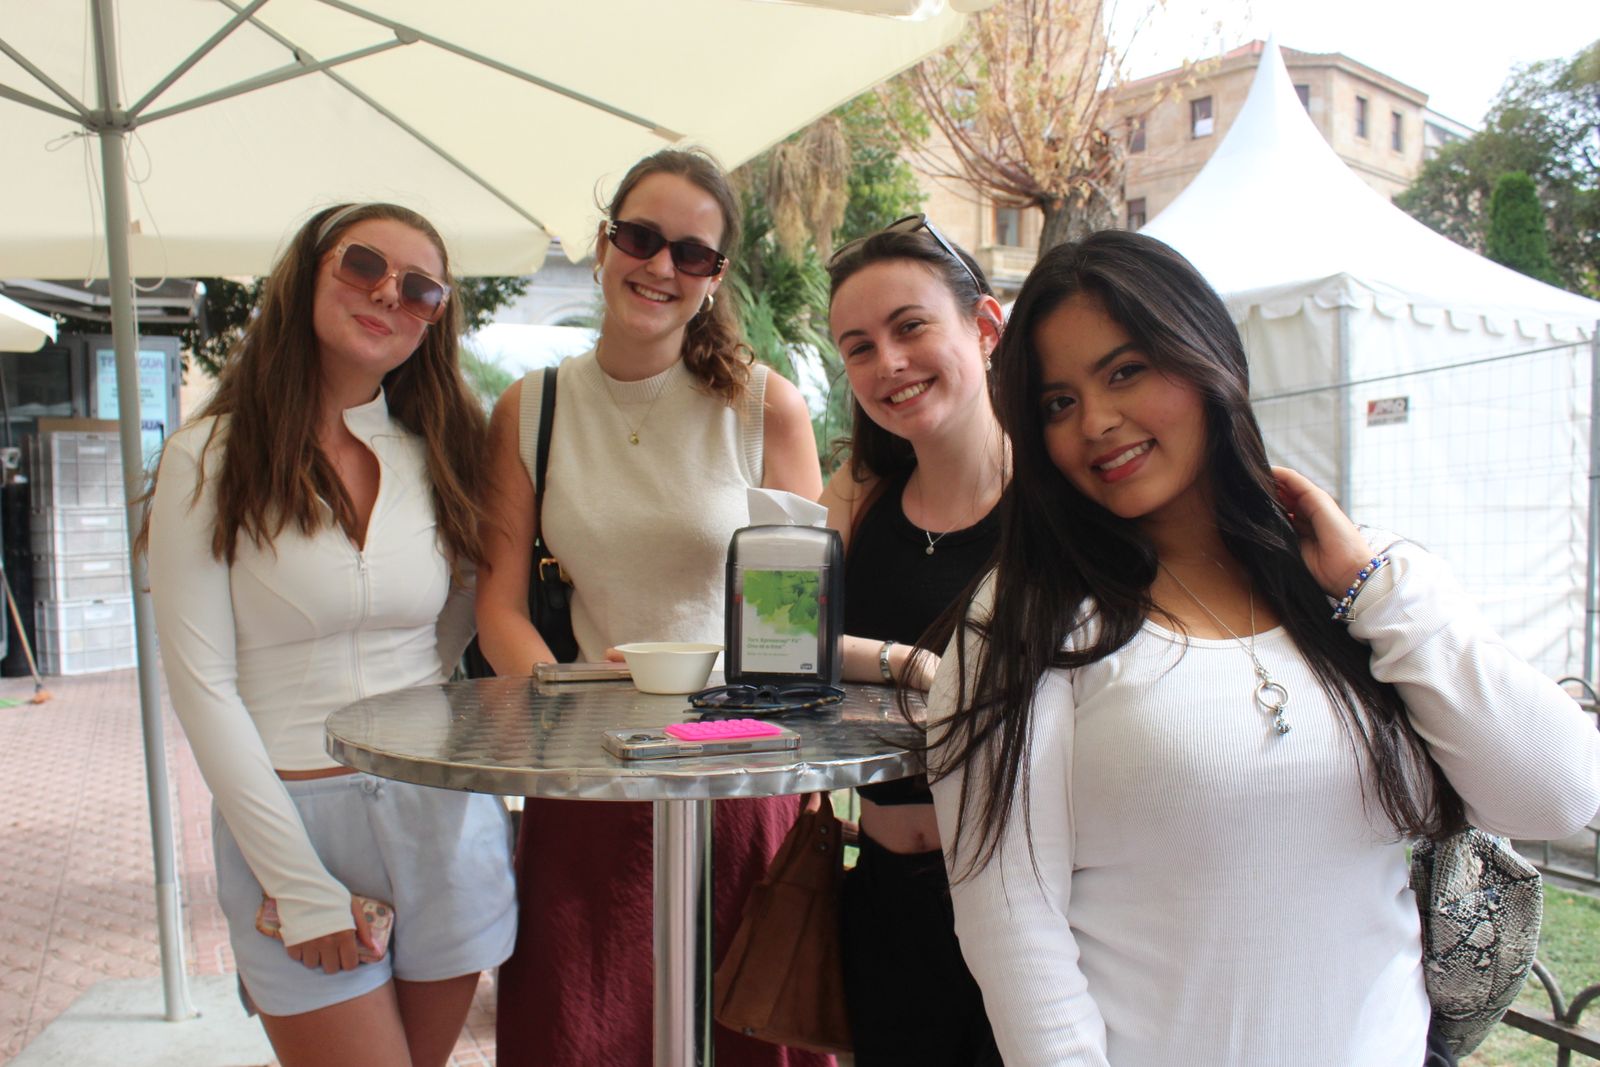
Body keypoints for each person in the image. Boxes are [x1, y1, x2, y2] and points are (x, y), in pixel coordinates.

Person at [924, 229, 1600, 1067]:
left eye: (1126, 370)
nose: (1096, 421)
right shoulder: (1024, 621)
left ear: (1208, 357)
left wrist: (1374, 588)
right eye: (1058, 402)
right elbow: (1011, 924)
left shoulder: (1355, 583)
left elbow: (1559, 793)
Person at [144, 202, 516, 1067]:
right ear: (308, 274)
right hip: (294, 820)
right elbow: (202, 685)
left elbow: (456, 618)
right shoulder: (207, 457)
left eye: (421, 288)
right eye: (363, 264)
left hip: (441, 811)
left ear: (435, 320)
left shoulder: (444, 451)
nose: (389, 292)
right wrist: (298, 883)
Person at [478, 148, 826, 1066]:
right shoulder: (531, 408)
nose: (660, 266)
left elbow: (800, 619)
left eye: (692, 254)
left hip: (735, 769)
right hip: (590, 771)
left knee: (744, 1031)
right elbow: (498, 607)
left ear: (715, 280)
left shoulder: (763, 408)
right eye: (640, 237)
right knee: (581, 1033)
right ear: (602, 246)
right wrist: (570, 695)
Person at [818, 215, 1005, 1065]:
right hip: (886, 894)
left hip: (1024, 900)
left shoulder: (1055, 506)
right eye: (859, 347)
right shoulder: (858, 496)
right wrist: (911, 665)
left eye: (910, 327)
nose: (886, 363)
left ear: (986, 326)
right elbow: (782, 644)